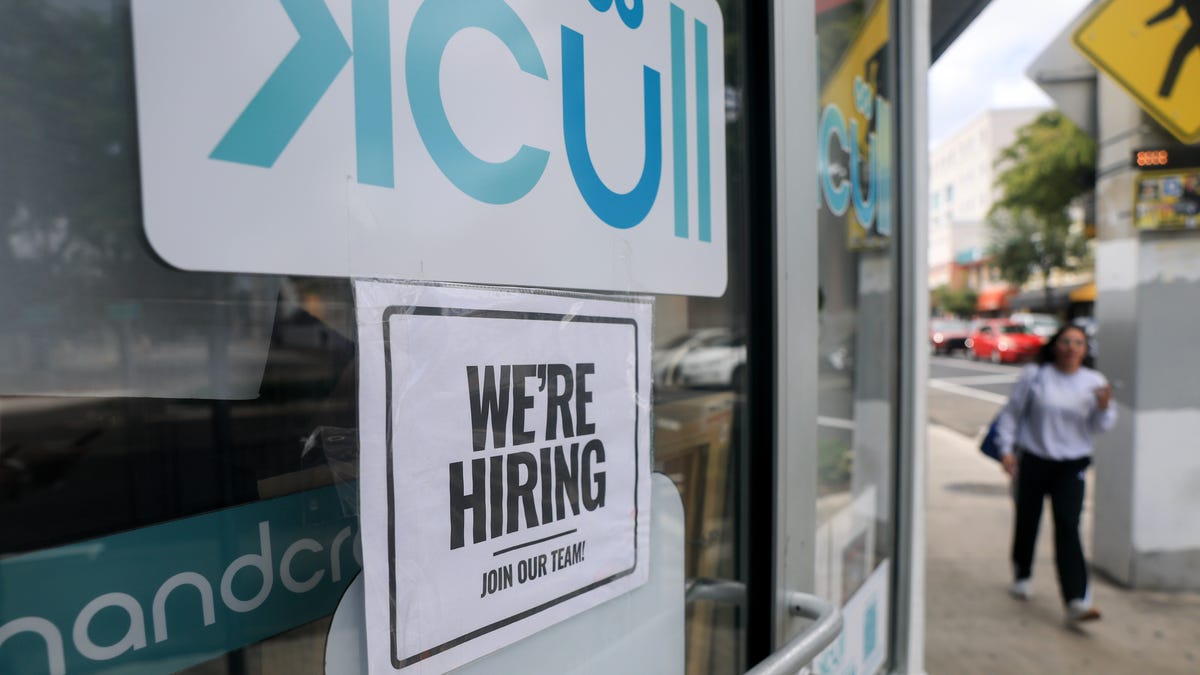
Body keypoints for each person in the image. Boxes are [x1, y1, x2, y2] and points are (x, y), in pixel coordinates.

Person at [994, 324, 1116, 623]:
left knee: (1068, 526)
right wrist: (1006, 449)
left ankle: (1076, 599)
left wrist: (1103, 407)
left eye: (1079, 342)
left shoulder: (1094, 381)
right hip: (1034, 460)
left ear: (1086, 350)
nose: (1072, 347)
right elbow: (1011, 413)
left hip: (1071, 465)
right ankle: (1022, 574)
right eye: (1066, 341)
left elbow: (1102, 426)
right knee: (1027, 519)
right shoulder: (1036, 376)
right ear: (1054, 346)